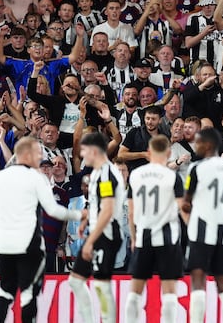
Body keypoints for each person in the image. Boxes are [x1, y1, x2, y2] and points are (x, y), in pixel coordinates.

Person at [0, 137, 85, 323]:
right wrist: (79, 215)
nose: (40, 156)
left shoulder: (0, 177)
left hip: (4, 244)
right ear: (26, 154)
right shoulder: (36, 177)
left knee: (5, 292)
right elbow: (53, 210)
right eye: (37, 152)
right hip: (28, 244)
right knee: (27, 294)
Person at [124, 135, 184, 323]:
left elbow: (131, 213)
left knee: (135, 290)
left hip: (144, 234)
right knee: (169, 291)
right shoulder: (173, 176)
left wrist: (134, 238)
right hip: (167, 236)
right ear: (168, 153)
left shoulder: (135, 175)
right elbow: (182, 208)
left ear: (149, 152)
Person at [67, 132, 126, 323]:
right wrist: (87, 221)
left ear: (93, 150)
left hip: (106, 234)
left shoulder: (107, 174)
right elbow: (99, 204)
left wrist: (90, 241)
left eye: (84, 151)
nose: (82, 155)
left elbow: (107, 210)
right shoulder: (98, 172)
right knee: (76, 281)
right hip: (98, 231)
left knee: (101, 284)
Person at [182, 127, 223, 323]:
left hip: (202, 227)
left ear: (208, 145)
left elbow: (187, 201)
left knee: (198, 278)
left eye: (198, 142)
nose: (195, 145)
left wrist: (186, 204)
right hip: (222, 229)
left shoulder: (196, 168)